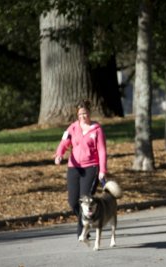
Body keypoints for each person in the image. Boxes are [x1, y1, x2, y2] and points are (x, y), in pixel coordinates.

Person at [54, 99, 107, 239]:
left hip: (91, 167)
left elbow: (102, 151)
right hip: (74, 167)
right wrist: (59, 154)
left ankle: (82, 232)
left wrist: (102, 170)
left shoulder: (97, 129)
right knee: (73, 202)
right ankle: (88, 221)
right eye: (80, 114)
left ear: (90, 113)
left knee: (85, 200)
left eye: (85, 114)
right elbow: (64, 143)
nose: (83, 117)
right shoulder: (72, 128)